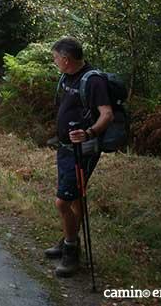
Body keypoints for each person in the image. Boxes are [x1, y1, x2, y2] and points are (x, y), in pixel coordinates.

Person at [45, 37, 113, 278]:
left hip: (82, 152)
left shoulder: (92, 80)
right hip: (65, 148)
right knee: (74, 199)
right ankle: (67, 239)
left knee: (62, 202)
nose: (54, 61)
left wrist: (88, 132)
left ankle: (71, 253)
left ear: (66, 59)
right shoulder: (68, 76)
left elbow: (107, 114)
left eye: (55, 58)